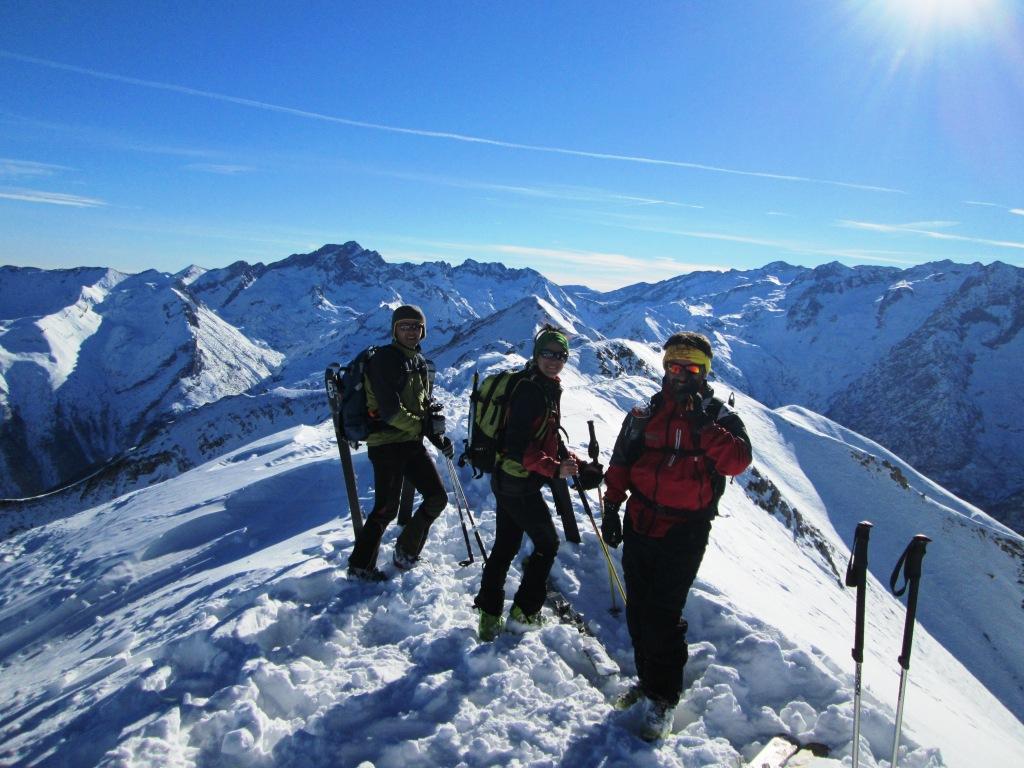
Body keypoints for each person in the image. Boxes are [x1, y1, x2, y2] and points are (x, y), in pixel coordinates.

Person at [600, 331, 752, 740]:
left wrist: (704, 423)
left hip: (684, 531)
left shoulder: (719, 418)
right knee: (638, 611)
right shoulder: (646, 413)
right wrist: (612, 506)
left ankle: (663, 700)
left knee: (662, 617)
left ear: (705, 372)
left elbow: (737, 461)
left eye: (691, 367)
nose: (681, 373)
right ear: (664, 366)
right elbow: (621, 462)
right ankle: (649, 683)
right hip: (639, 521)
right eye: (674, 365)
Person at [473, 326, 585, 640]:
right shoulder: (531, 392)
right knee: (547, 544)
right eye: (547, 353)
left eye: (560, 355)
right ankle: (525, 611)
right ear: (536, 355)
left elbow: (544, 435)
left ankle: (488, 614)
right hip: (518, 481)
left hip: (506, 478)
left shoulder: (544, 386)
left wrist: (566, 459)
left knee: (506, 546)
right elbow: (518, 446)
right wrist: (554, 469)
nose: (554, 360)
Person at [347, 304, 455, 581]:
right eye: (404, 326)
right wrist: (423, 427)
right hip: (385, 444)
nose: (411, 331)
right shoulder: (385, 360)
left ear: (423, 330)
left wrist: (436, 437)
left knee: (437, 498)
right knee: (386, 509)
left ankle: (406, 550)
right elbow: (390, 411)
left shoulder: (419, 362)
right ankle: (361, 565)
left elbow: (421, 410)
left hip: (410, 442)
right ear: (394, 330)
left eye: (416, 326)